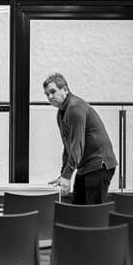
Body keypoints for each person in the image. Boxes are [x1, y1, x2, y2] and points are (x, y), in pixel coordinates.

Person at [43, 72, 117, 205]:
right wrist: (63, 174)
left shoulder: (74, 108)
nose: (50, 97)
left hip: (98, 164)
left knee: (93, 214)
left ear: (65, 89)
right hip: (85, 166)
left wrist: (67, 175)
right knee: (78, 209)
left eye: (53, 92)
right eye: (47, 94)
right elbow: (68, 147)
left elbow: (77, 145)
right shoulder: (61, 113)